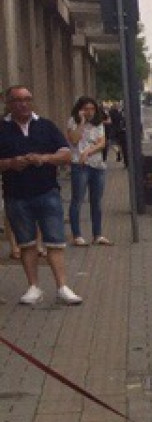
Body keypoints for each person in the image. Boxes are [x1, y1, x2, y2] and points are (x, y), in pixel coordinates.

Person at [0, 85, 82, 305]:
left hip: (47, 192)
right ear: (8, 103)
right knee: (26, 243)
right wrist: (10, 163)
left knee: (55, 241)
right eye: (18, 100)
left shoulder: (45, 126)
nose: (24, 104)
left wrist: (44, 159)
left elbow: (66, 154)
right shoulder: (2, 128)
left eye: (27, 99)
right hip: (16, 195)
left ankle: (62, 287)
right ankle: (33, 287)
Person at [66, 96, 109, 246]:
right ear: (80, 109)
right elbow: (74, 140)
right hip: (80, 165)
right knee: (77, 199)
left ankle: (97, 234)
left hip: (97, 165)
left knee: (96, 201)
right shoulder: (73, 121)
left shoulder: (98, 123)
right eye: (86, 109)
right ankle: (77, 235)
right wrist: (82, 122)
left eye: (92, 109)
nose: (89, 112)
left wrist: (88, 152)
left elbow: (102, 142)